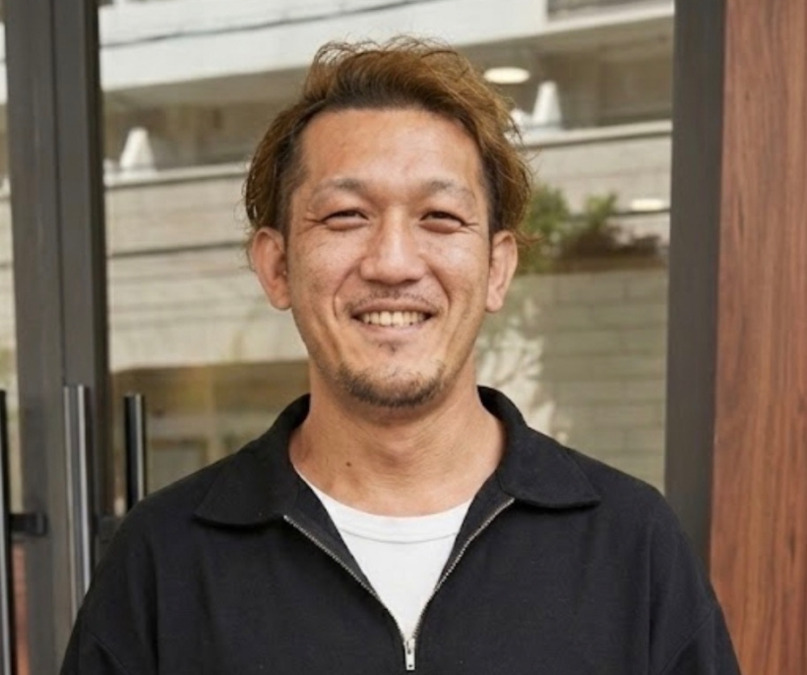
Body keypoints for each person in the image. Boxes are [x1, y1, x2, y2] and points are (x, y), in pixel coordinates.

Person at [61, 38, 741, 674]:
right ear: (276, 266)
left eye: (440, 218)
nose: (392, 262)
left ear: (497, 268)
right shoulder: (163, 559)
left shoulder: (630, 544)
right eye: (345, 216)